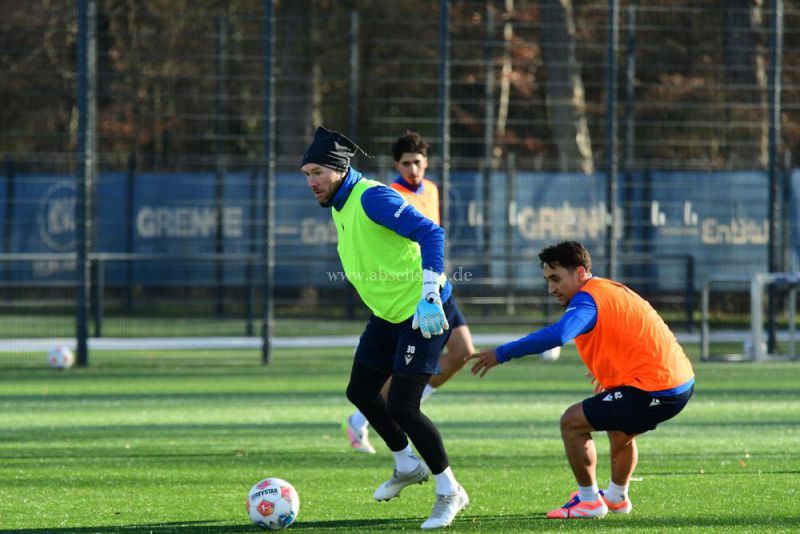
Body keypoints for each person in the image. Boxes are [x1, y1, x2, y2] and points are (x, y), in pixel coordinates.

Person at [301, 126, 469, 529]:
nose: (311, 182)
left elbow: (431, 232)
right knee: (359, 391)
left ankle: (450, 491)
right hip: (387, 316)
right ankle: (406, 464)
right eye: (306, 174)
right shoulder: (341, 203)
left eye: (317, 173)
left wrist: (430, 293)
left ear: (340, 169)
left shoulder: (372, 196)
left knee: (403, 407)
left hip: (421, 311)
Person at [466, 241, 695, 520]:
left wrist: (501, 353)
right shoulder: (606, 289)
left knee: (572, 422)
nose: (551, 288)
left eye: (556, 279)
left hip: (655, 387)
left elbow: (558, 335)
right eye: (547, 281)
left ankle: (589, 502)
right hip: (677, 382)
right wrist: (612, 372)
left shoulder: (587, 299)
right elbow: (628, 331)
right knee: (619, 429)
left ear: (580, 273)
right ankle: (616, 498)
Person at [342, 131, 475, 455]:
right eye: (406, 164)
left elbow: (433, 236)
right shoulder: (389, 194)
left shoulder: (431, 189)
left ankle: (378, 414)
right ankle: (365, 418)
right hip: (411, 293)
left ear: (426, 162)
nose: (413, 169)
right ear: (395, 166)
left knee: (462, 352)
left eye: (417, 162)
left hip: (434, 284)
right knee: (399, 376)